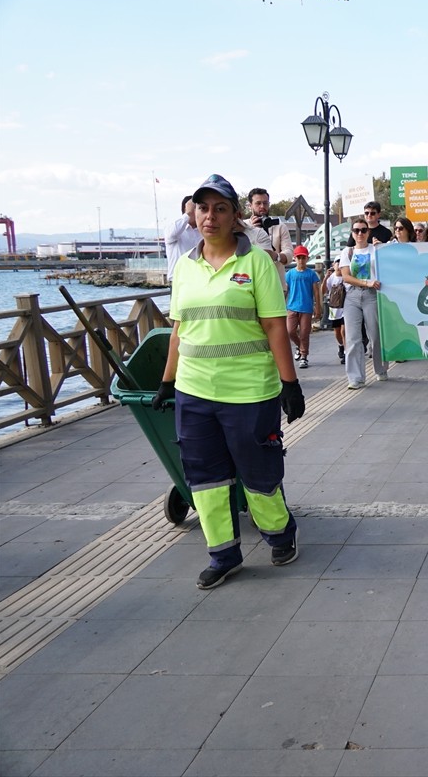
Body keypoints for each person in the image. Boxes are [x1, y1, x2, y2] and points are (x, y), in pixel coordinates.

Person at [153, 174, 303, 590]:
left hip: (250, 391)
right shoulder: (184, 267)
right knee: (204, 477)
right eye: (203, 208)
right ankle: (223, 553)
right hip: (195, 391)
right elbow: (179, 330)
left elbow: (275, 327)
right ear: (193, 215)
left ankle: (279, 532)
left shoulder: (256, 262)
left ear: (236, 216)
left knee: (258, 471)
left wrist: (290, 384)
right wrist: (168, 382)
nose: (210, 216)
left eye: (220, 208)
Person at [339, 218, 389, 389]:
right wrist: (365, 283)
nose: (359, 233)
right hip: (352, 295)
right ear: (352, 233)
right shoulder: (347, 252)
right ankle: (355, 377)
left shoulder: (376, 250)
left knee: (375, 335)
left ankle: (381, 369)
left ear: (368, 232)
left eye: (363, 230)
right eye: (356, 230)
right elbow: (345, 276)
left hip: (372, 295)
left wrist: (382, 247)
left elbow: (391, 262)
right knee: (353, 337)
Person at [247, 188, 295, 292]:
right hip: (249, 286)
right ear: (250, 206)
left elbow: (290, 254)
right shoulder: (244, 227)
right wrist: (253, 230)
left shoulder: (280, 227)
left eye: (265, 203)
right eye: (258, 203)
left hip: (275, 286)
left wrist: (275, 256)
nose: (262, 207)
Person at [285, 245, 321, 369]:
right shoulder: (289, 274)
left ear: (307, 258)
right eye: (299, 257)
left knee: (305, 332)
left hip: (306, 307)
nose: (301, 260)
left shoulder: (311, 274)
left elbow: (316, 291)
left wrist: (318, 307)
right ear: (295, 258)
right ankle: (300, 347)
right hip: (292, 307)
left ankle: (304, 356)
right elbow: (286, 290)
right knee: (290, 331)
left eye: (303, 258)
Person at [164, 195, 201, 282]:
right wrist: (188, 214)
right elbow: (171, 235)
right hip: (179, 280)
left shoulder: (202, 231)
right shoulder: (175, 229)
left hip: (198, 280)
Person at [324, 263, 347, 364]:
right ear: (334, 265)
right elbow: (324, 291)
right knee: (337, 332)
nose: (339, 265)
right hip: (334, 310)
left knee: (343, 331)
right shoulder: (331, 278)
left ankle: (346, 352)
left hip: (346, 308)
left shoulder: (346, 276)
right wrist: (325, 278)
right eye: (337, 262)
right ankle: (341, 346)